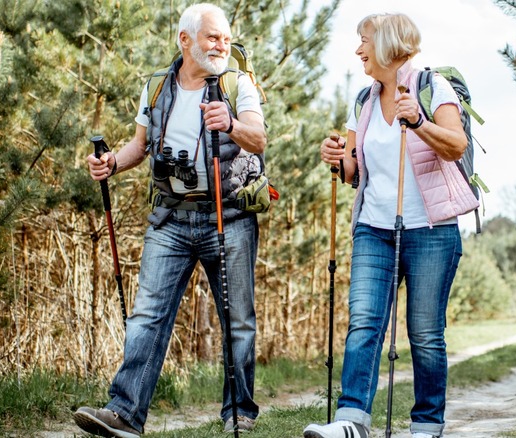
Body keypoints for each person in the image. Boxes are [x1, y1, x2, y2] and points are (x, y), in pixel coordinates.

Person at [73, 4, 266, 437]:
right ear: (185, 40)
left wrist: (231, 123)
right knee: (147, 316)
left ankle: (239, 411)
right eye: (213, 37)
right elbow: (139, 146)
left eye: (226, 38)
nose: (222, 45)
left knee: (237, 320)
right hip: (170, 219)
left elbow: (258, 136)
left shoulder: (238, 85)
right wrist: (111, 164)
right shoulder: (157, 87)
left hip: (228, 216)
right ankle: (124, 414)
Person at [303, 12, 478, 438]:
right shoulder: (362, 100)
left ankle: (426, 425)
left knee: (425, 333)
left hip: (431, 230)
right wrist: (337, 158)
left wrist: (418, 120)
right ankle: (351, 421)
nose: (358, 49)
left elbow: (456, 146)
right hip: (373, 227)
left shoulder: (432, 86)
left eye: (363, 40)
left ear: (385, 43)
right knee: (364, 322)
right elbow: (352, 172)